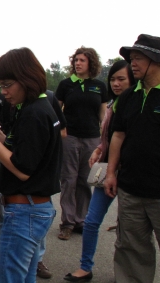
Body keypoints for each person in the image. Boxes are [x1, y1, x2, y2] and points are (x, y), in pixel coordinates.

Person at [0, 47, 61, 283]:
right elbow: (27, 151)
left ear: (26, 78)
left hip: (24, 212)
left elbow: (23, 170)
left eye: (8, 84)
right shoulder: (37, 107)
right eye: (0, 85)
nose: (4, 92)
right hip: (33, 209)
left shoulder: (34, 114)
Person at [64, 60, 134, 282]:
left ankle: (126, 274)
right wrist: (99, 149)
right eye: (112, 79)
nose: (115, 83)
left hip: (132, 175)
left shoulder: (138, 105)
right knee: (92, 221)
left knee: (129, 229)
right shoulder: (114, 106)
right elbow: (110, 136)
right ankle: (85, 267)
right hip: (107, 171)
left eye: (121, 79)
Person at [104, 34, 160, 283]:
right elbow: (118, 136)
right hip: (131, 189)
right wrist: (111, 173)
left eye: (138, 58)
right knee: (131, 250)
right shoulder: (128, 97)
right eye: (132, 59)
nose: (132, 64)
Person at [56, 47, 108, 240]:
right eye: (76, 60)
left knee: (85, 181)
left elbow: (103, 116)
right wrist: (61, 129)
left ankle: (80, 220)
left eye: (82, 60)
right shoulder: (66, 84)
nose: (78, 63)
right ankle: (67, 222)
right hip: (70, 137)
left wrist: (103, 139)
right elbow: (57, 110)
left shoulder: (100, 87)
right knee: (68, 179)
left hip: (92, 138)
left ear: (91, 64)